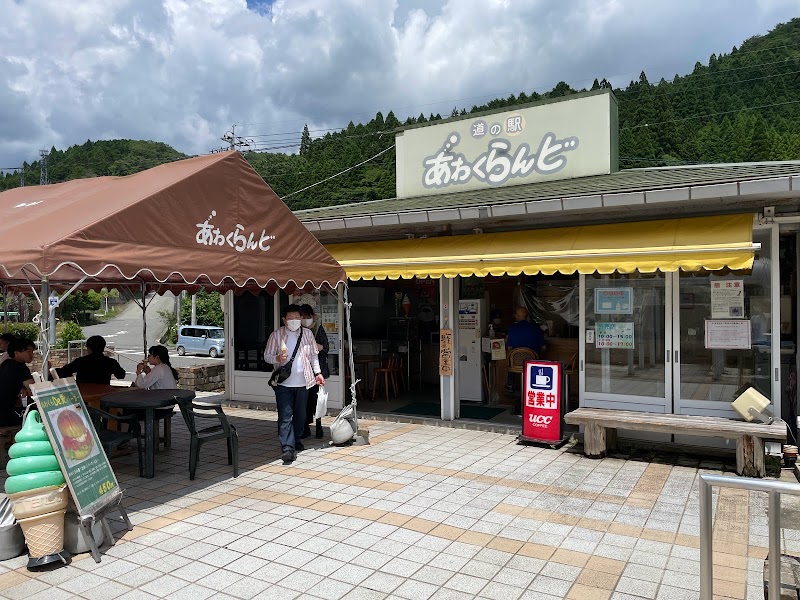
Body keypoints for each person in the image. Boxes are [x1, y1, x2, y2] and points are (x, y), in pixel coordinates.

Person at [264, 304, 325, 464]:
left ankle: (296, 439)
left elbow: (313, 356)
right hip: (283, 384)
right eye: (290, 319)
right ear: (284, 320)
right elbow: (267, 356)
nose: (294, 321)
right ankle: (287, 448)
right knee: (285, 415)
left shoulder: (307, 334)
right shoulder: (276, 335)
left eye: (297, 318)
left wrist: (318, 373)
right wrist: (277, 359)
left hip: (304, 382)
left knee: (301, 416)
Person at [300, 304, 329, 440]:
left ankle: (318, 426)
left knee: (317, 400)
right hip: (302, 372)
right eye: (303, 317)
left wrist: (314, 346)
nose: (306, 319)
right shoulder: (297, 331)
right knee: (304, 401)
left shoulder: (318, 329)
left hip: (317, 371)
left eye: (308, 317)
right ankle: (305, 427)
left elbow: (326, 347)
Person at [55, 335, 126, 384]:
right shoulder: (110, 362)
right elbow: (121, 375)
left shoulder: (81, 361)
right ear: (103, 348)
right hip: (102, 395)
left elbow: (63, 372)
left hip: (84, 394)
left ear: (89, 348)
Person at [506, 306, 545, 392]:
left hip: (516, 363)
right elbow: (543, 347)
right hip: (532, 363)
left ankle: (510, 384)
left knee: (510, 360)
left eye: (515, 314)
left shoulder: (512, 329)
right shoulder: (536, 328)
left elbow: (509, 348)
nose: (514, 316)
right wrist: (538, 356)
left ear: (517, 316)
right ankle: (534, 386)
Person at [0, 338, 36, 427]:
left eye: (32, 351)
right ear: (16, 352)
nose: (31, 355)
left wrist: (22, 387)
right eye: (28, 351)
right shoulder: (21, 367)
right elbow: (34, 389)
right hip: (4, 413)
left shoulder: (6, 364)